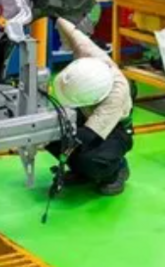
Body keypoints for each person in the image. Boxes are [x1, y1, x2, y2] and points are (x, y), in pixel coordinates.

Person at [46, 19, 134, 196]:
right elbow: (69, 27)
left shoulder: (116, 96)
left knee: (90, 157)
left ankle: (116, 170)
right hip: (83, 112)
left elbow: (87, 136)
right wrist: (54, 15)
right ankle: (81, 171)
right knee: (50, 133)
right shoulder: (89, 54)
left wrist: (62, 146)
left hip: (114, 129)